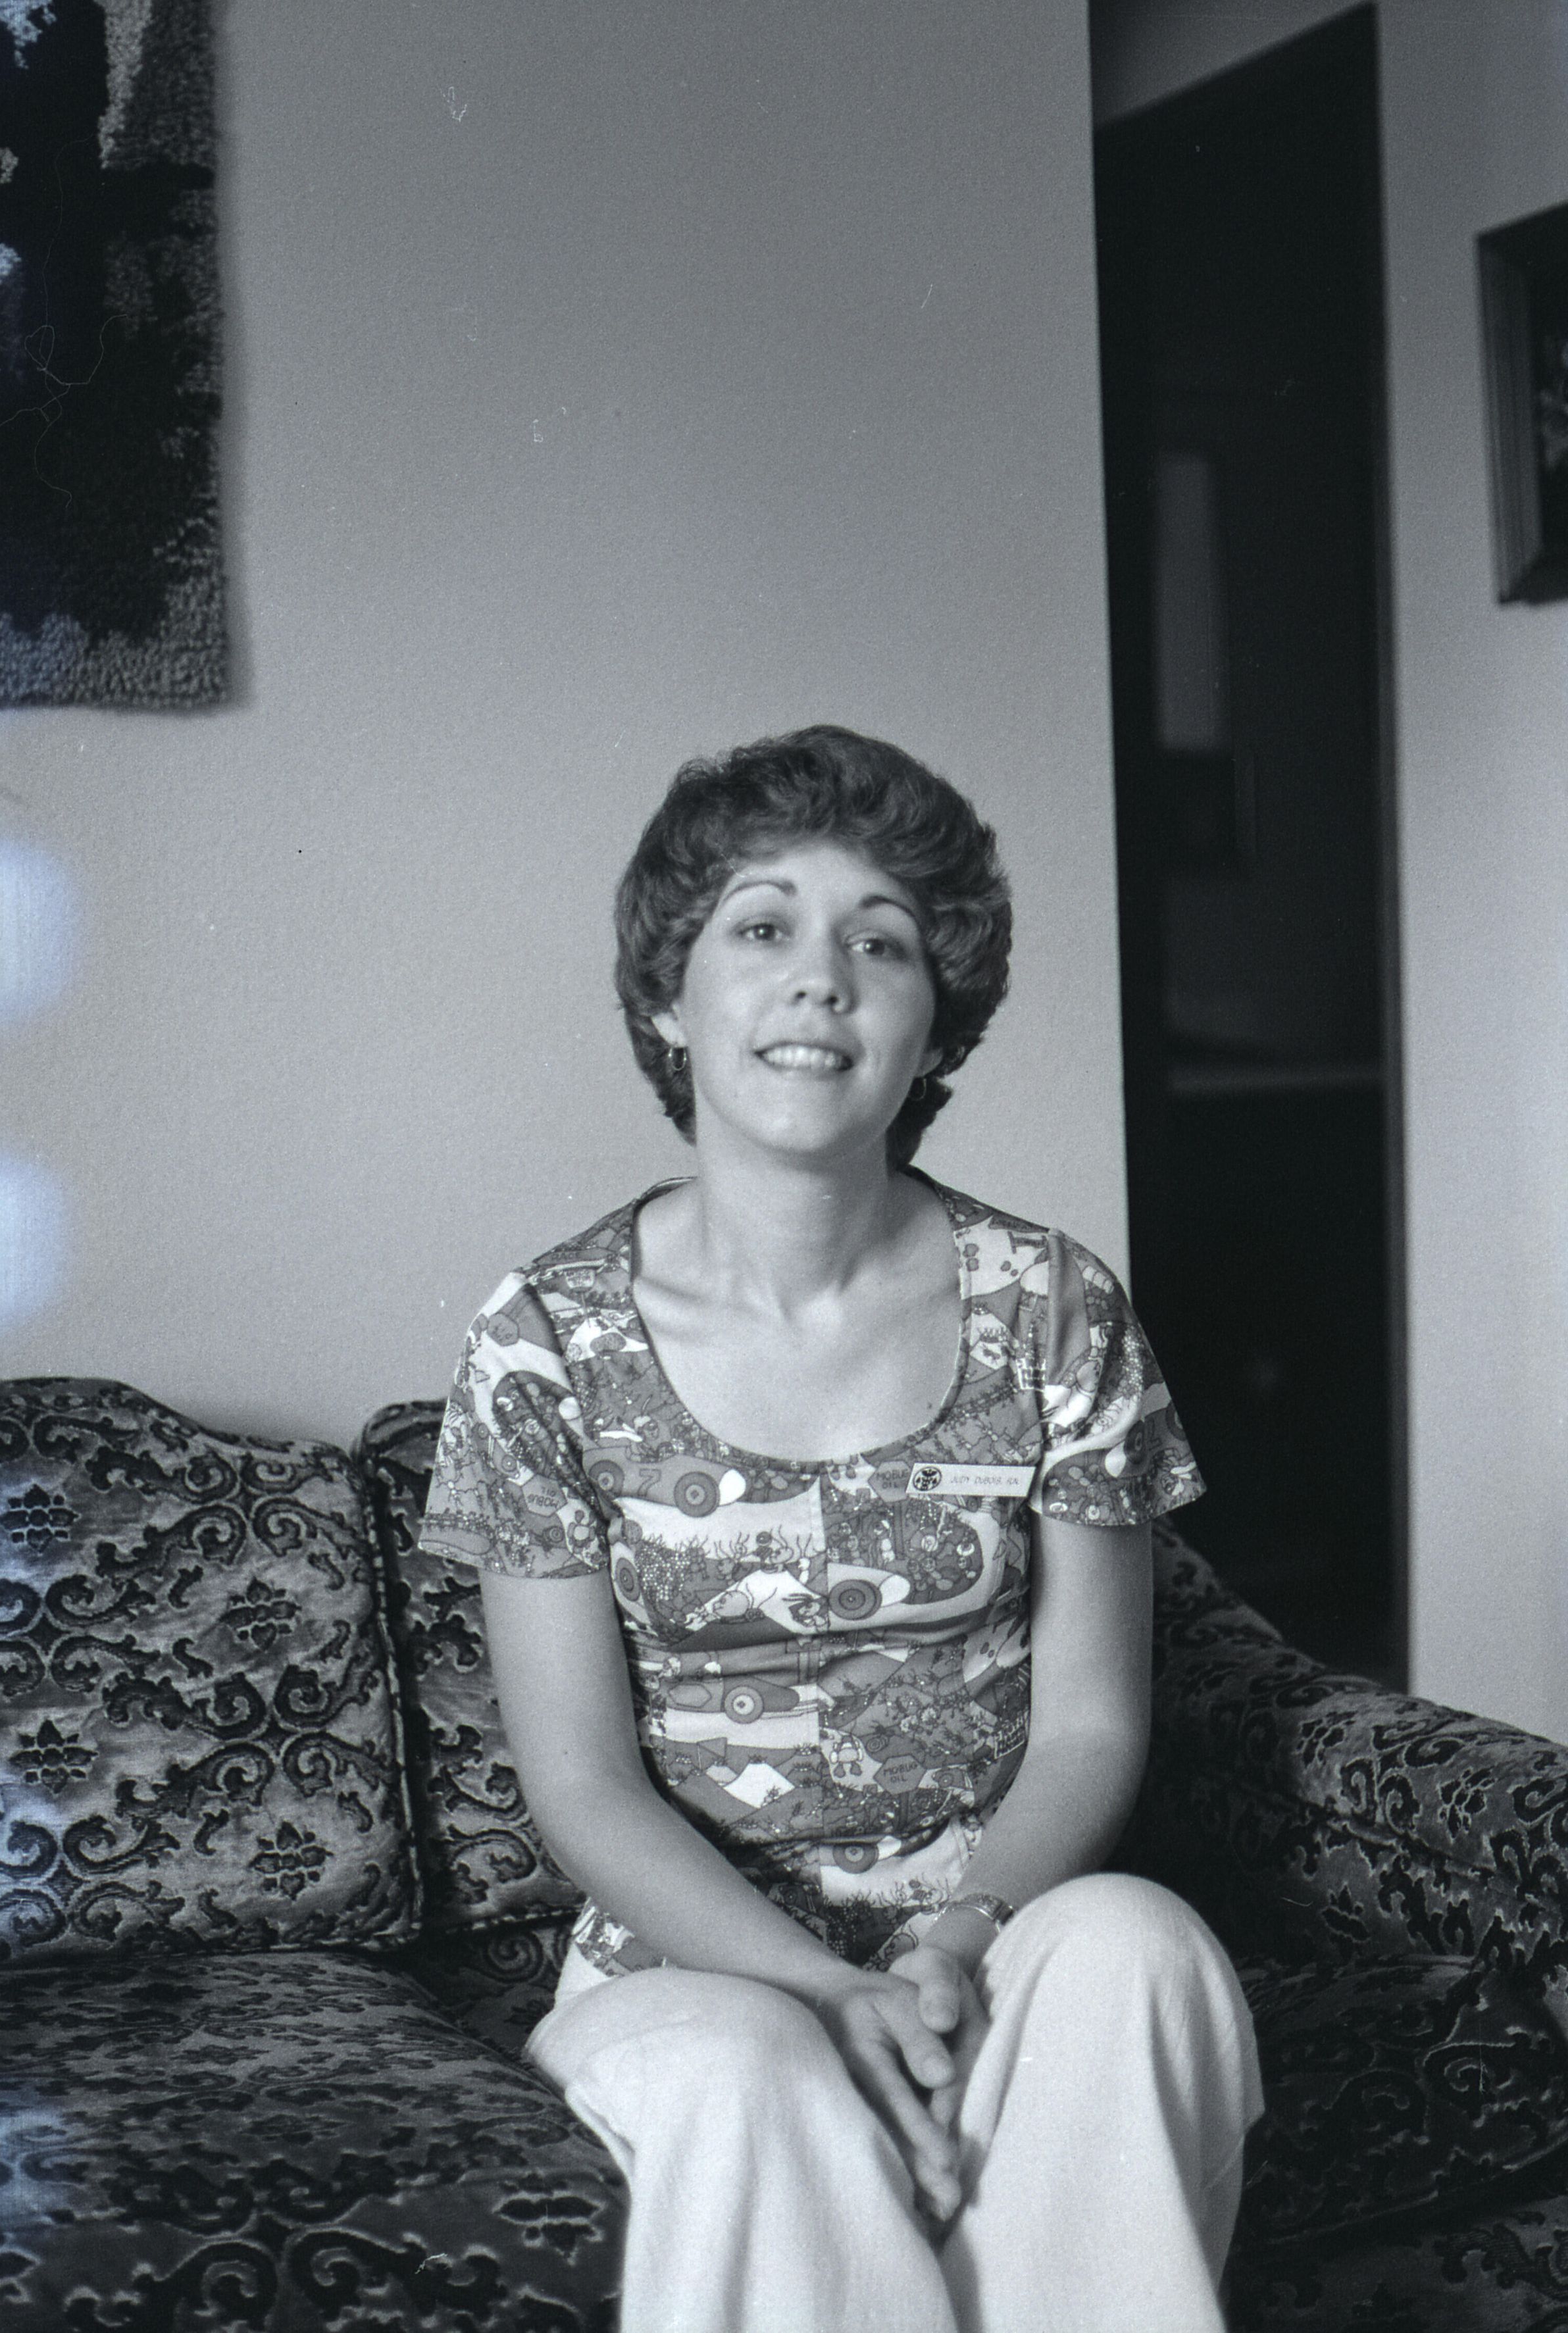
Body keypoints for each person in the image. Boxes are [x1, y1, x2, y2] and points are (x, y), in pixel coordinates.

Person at [418, 725, 1263, 2333]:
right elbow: (580, 1784)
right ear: (670, 1000)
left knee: (1142, 1947)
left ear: (934, 1023)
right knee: (748, 2073)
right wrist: (823, 1994)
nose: (823, 977)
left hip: (990, 1936)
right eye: (762, 928)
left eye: (883, 943)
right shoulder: (544, 1340)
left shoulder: (1056, 1307)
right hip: (690, 1980)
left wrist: (953, 1948)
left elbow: (1092, 1724)